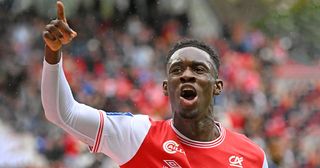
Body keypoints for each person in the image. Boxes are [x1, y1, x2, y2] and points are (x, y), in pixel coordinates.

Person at [41, 1, 268, 167]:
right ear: (166, 87)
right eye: (177, 70)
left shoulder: (252, 157)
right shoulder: (139, 136)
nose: (186, 75)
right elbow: (62, 113)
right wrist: (53, 54)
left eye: (199, 69)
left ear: (217, 86)